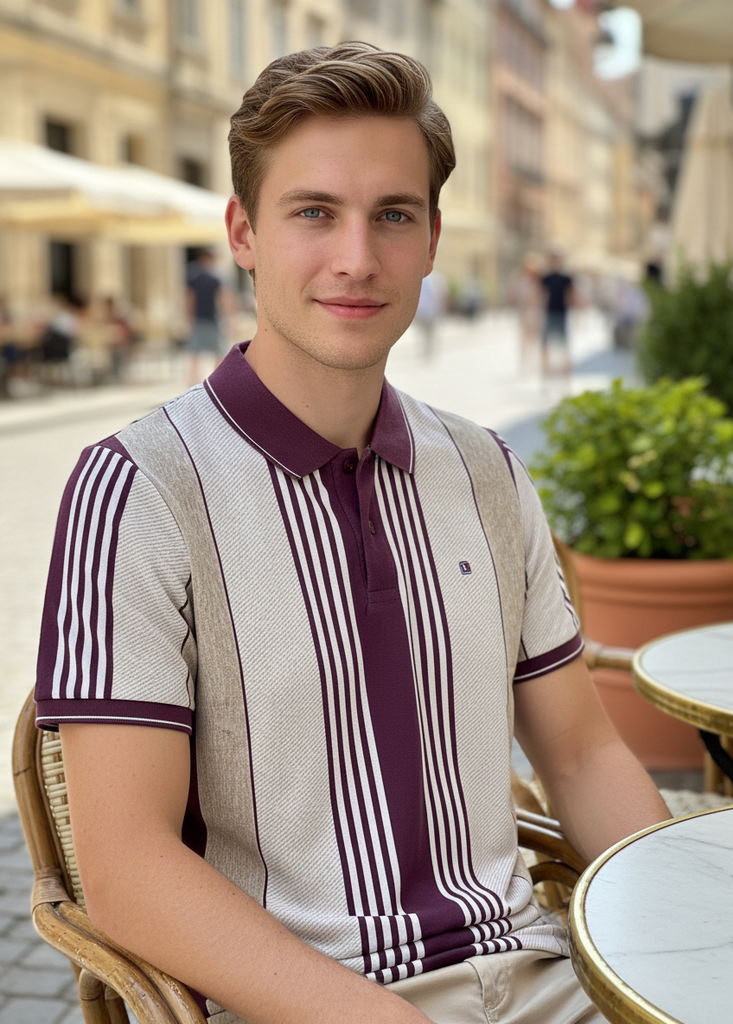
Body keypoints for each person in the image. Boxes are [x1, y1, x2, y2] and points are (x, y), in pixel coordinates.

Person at [34, 43, 670, 1024]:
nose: (357, 259)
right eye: (314, 212)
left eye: (393, 215)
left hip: (540, 982)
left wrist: (676, 945)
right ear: (244, 231)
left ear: (431, 238)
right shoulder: (139, 490)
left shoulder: (488, 471)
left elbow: (583, 758)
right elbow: (125, 868)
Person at [185, 248, 225, 383]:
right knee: (216, 351)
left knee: (197, 352)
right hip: (209, 318)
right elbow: (222, 298)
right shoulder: (214, 278)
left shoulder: (195, 277)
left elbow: (189, 299)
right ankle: (215, 379)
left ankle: (193, 380)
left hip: (203, 318)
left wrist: (189, 316)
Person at [540, 251, 574, 376]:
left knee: (564, 344)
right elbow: (539, 295)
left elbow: (571, 296)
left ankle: (566, 370)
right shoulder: (546, 278)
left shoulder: (567, 278)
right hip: (549, 313)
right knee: (545, 343)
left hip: (562, 313)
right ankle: (546, 370)